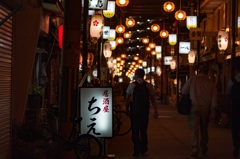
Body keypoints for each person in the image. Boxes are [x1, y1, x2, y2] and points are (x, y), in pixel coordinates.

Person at [181, 64, 217, 158]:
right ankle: (204, 146)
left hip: (194, 106)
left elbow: (184, 91)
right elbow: (214, 98)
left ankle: (195, 149)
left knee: (194, 129)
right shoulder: (210, 82)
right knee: (204, 128)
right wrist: (213, 108)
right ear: (207, 72)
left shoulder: (192, 79)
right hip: (206, 107)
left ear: (199, 71)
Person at [125, 68, 158, 157]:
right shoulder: (149, 86)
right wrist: (155, 110)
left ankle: (137, 150)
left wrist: (126, 109)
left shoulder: (132, 86)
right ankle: (143, 148)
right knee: (143, 130)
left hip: (134, 112)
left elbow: (127, 99)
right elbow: (152, 99)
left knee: (135, 130)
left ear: (136, 75)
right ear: (143, 75)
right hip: (144, 111)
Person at [226, 62, 240, 158]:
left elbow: (228, 94)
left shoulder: (232, 81)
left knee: (235, 128)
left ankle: (236, 145)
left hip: (236, 107)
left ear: (236, 69)